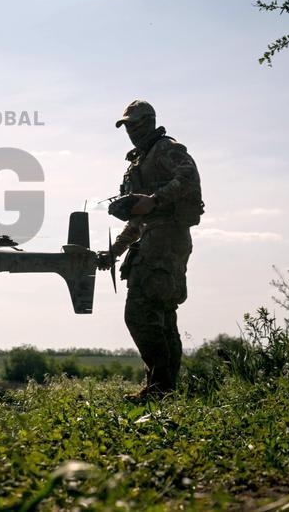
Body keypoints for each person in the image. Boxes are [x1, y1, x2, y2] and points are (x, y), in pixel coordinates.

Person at [97, 100, 203, 401]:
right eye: (127, 126)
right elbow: (139, 221)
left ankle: (160, 388)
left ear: (150, 121)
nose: (131, 131)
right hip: (156, 238)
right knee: (161, 315)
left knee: (142, 312)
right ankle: (165, 389)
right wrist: (114, 251)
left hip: (166, 240)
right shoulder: (140, 160)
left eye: (136, 124)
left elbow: (189, 177)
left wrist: (154, 199)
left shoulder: (166, 149)